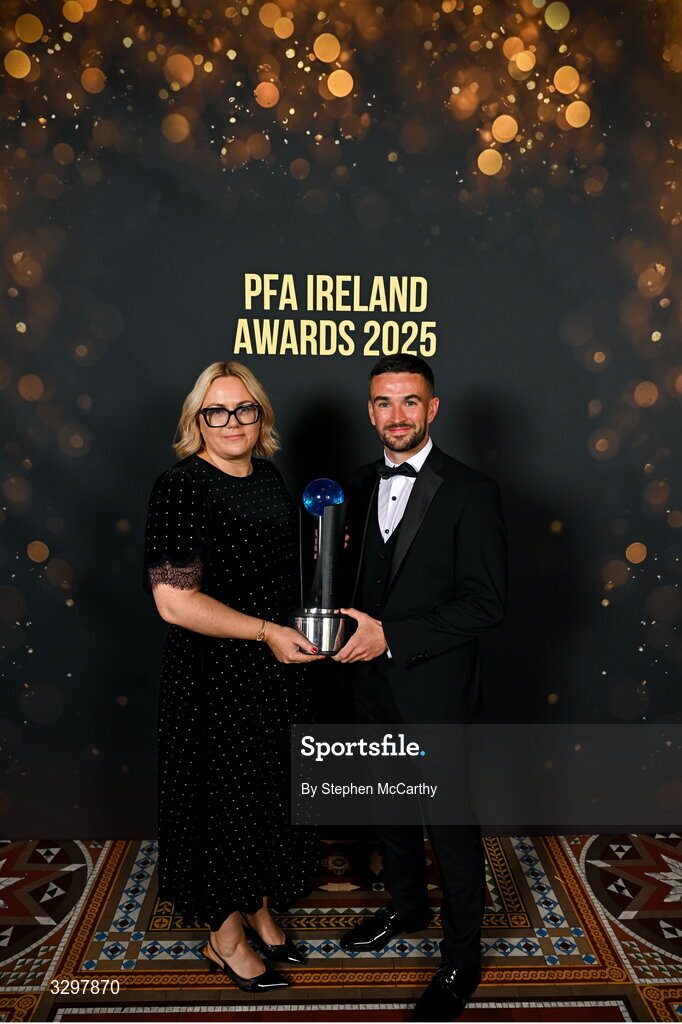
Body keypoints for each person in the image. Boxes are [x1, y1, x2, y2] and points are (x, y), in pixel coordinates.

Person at [334, 354, 507, 1022]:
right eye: (384, 402)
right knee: (388, 806)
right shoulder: (355, 481)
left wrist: (395, 637)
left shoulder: (471, 490)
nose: (397, 415)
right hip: (366, 681)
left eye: (410, 402)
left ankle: (463, 957)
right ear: (369, 410)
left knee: (450, 824)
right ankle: (406, 907)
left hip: (433, 687)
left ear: (433, 409)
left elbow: (486, 604)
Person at [143, 361, 323, 993]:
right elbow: (174, 602)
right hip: (213, 675)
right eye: (216, 412)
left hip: (272, 672)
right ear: (198, 421)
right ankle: (224, 940)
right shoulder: (183, 486)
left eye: (245, 409)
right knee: (219, 806)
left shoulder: (269, 476)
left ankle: (260, 909)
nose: (232, 422)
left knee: (264, 796)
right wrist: (267, 632)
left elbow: (281, 571)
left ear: (261, 416)